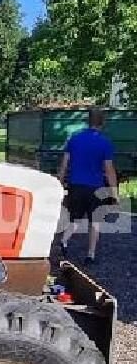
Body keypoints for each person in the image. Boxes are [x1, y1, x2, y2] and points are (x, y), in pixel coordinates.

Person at [58, 108, 119, 264]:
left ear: (88, 121)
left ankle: (64, 240)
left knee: (75, 219)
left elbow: (64, 165)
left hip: (76, 184)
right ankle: (90, 255)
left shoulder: (74, 139)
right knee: (95, 222)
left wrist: (60, 183)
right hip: (96, 188)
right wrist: (114, 193)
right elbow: (109, 170)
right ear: (102, 123)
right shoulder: (105, 143)